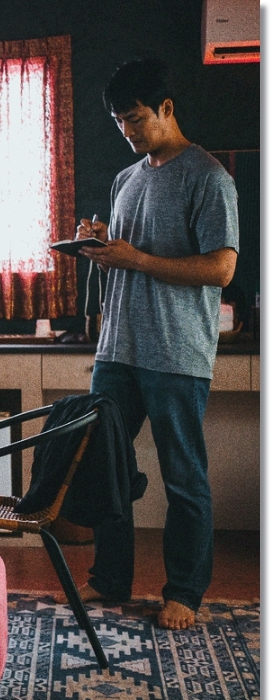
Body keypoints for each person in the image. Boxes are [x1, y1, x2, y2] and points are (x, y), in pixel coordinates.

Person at [75, 59, 239, 631]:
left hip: (175, 352)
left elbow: (221, 269)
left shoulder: (209, 178)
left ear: (166, 108)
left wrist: (135, 258)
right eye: (120, 122)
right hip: (117, 349)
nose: (128, 131)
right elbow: (126, 261)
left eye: (136, 119)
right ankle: (110, 577)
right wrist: (100, 248)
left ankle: (185, 592)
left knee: (183, 477)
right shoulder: (126, 180)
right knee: (107, 469)